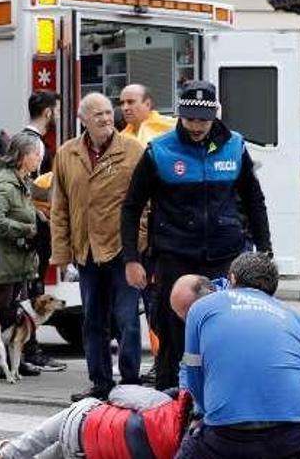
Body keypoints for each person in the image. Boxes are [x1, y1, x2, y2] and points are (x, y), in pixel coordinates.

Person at [120, 80, 272, 391]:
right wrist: (131, 259)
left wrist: (264, 248)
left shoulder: (234, 146)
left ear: (214, 116)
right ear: (180, 116)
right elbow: (131, 207)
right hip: (174, 256)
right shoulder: (159, 151)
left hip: (223, 256)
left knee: (223, 330)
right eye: (190, 119)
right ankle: (166, 398)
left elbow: (254, 201)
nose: (196, 126)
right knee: (172, 332)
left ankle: (220, 395)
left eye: (203, 120)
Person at [175, 253, 300, 459]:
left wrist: (200, 415)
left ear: (233, 279)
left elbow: (192, 373)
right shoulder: (283, 310)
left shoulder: (201, 307)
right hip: (294, 433)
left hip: (228, 436)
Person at [50, 94, 147, 403]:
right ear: (83, 120)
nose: (106, 119)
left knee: (127, 319)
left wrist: (141, 244)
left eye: (109, 112)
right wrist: (62, 253)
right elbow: (59, 207)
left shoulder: (133, 150)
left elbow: (148, 202)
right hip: (86, 252)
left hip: (124, 251)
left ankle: (130, 382)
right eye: (98, 115)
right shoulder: (67, 154)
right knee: (92, 321)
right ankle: (100, 383)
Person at [119, 83, 178, 386]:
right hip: (138, 234)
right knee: (149, 303)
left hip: (161, 231)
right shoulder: (123, 137)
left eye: (131, 102)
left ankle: (166, 359)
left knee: (161, 301)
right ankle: (160, 360)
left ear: (148, 102)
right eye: (122, 103)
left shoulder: (164, 130)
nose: (126, 107)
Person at [0, 132, 44, 378]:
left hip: (16, 260)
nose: (39, 158)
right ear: (23, 156)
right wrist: (26, 229)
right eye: (36, 154)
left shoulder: (21, 182)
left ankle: (15, 358)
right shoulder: (5, 185)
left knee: (17, 312)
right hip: (2, 260)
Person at [0, 385, 193, 459]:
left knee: (88, 408)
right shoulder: (177, 453)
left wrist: (163, 393)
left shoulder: (162, 404)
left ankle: (7, 453)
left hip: (79, 422)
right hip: (84, 454)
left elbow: (117, 393)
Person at [16, 92, 66, 373]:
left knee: (32, 285)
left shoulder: (27, 139)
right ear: (48, 112)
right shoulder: (35, 143)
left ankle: (29, 348)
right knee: (33, 287)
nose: (57, 114)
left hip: (35, 223)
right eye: (56, 110)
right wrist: (43, 215)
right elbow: (31, 186)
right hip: (37, 225)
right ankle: (31, 349)